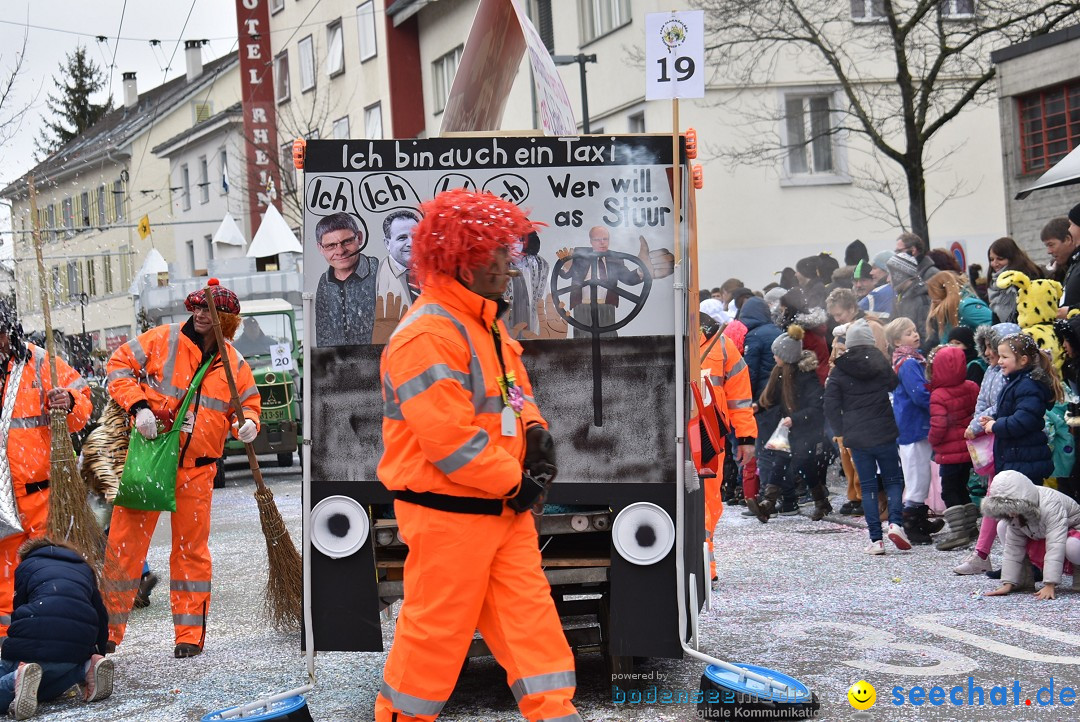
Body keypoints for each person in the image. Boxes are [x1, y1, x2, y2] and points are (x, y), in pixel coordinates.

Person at [374, 189, 578, 722]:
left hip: (499, 510)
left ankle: (557, 714)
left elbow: (512, 391)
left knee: (532, 628)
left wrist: (534, 430)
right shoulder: (426, 334)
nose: (511, 265)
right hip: (450, 516)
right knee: (433, 640)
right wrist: (517, 482)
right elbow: (448, 440)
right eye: (496, 254)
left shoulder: (481, 324)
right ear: (460, 259)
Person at [103, 280, 261, 659]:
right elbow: (118, 366)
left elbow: (249, 404)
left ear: (227, 320)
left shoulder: (235, 364)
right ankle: (105, 631)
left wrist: (250, 422)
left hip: (199, 470)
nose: (200, 315)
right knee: (124, 547)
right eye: (197, 307)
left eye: (209, 310)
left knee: (191, 551)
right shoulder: (163, 338)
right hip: (153, 456)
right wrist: (138, 406)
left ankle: (189, 635)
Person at [0, 299, 92, 638]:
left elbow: (83, 406)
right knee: (4, 585)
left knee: (50, 578)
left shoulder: (41, 362)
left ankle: (50, 643)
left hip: (42, 495)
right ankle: (9, 654)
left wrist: (68, 401)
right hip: (2, 501)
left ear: (8, 332)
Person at [0, 538, 113, 719]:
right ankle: (85, 669)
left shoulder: (26, 566)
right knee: (46, 682)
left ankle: (15, 678)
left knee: (12, 672)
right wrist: (97, 650)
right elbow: (101, 614)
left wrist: (12, 649)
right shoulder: (84, 568)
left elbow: (19, 608)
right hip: (77, 650)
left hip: (35, 641)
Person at [823, 319, 910, 554]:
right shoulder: (880, 363)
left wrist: (840, 431)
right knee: (893, 480)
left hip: (857, 435)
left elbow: (830, 405)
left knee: (869, 486)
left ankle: (875, 540)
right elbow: (894, 384)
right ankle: (895, 523)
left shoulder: (840, 369)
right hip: (884, 431)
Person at [953, 323, 1022, 575]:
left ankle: (993, 555)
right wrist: (977, 423)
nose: (991, 352)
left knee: (1001, 501)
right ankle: (986, 554)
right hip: (994, 438)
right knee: (995, 500)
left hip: (1006, 439)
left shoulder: (1012, 376)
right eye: (988, 347)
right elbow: (983, 401)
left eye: (996, 347)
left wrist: (977, 425)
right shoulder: (992, 371)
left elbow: (1002, 405)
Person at [745, 325, 826, 522]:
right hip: (788, 429)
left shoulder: (805, 376)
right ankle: (768, 504)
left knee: (801, 466)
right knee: (784, 464)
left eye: (776, 354)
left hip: (805, 430)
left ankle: (819, 501)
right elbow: (771, 399)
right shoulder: (780, 372)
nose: (774, 357)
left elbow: (816, 407)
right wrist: (758, 407)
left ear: (787, 356)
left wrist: (795, 419)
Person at [699, 312, 756, 575]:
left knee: (709, 500)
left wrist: (745, 438)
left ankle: (704, 564)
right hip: (669, 436)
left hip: (709, 436)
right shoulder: (667, 337)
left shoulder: (720, 343)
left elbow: (740, 396)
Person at [982, 471, 1080, 600]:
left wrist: (1050, 584)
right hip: (1043, 536)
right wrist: (1008, 583)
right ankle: (1023, 579)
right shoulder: (1019, 511)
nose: (1010, 514)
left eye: (1012, 507)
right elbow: (1013, 547)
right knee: (1003, 526)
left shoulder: (1050, 505)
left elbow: (1055, 543)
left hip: (1072, 535)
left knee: (1071, 545)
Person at [884, 317, 940, 544]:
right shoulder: (908, 363)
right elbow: (919, 393)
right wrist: (936, 404)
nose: (915, 335)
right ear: (897, 341)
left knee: (921, 473)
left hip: (914, 423)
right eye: (909, 333)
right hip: (913, 424)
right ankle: (910, 522)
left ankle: (918, 516)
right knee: (917, 474)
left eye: (915, 330)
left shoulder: (913, 359)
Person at [978, 332, 1061, 486]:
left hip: (1024, 460)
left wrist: (996, 426)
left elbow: (1024, 420)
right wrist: (995, 420)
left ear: (1023, 360)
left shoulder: (1028, 386)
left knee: (1023, 506)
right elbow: (1014, 413)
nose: (1000, 361)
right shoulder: (1017, 382)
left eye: (1004, 357)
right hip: (1018, 457)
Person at [926, 345, 980, 551]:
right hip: (967, 448)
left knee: (949, 490)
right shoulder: (971, 386)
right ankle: (970, 527)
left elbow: (938, 425)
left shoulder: (939, 395)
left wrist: (933, 440)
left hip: (949, 451)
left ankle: (958, 533)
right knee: (961, 486)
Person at [557, 226, 645, 339]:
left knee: (609, 339)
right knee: (582, 340)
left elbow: (629, 279)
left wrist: (642, 269)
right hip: (582, 306)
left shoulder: (615, 259)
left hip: (606, 306)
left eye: (605, 239)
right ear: (591, 241)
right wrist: (567, 265)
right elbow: (566, 275)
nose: (602, 243)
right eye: (597, 240)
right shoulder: (580, 256)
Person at [737, 297, 781, 507]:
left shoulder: (753, 337)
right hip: (782, 398)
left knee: (763, 448)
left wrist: (748, 402)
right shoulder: (777, 331)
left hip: (763, 400)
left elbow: (750, 373)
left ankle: (765, 497)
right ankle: (785, 497)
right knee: (781, 446)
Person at [314, 211, 379, 346]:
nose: (340, 251)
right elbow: (323, 334)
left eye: (347, 241)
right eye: (331, 245)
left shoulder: (379, 271)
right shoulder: (324, 282)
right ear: (320, 248)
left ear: (359, 238)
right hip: (339, 365)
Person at [987, 236, 1043, 324]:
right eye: (991, 259)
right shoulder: (994, 284)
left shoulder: (1027, 279)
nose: (994, 264)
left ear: (1012, 258)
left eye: (1000, 259)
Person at [887, 253, 931, 351]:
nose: (888, 279)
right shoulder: (900, 297)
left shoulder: (921, 299)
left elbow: (926, 336)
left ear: (899, 275)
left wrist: (918, 357)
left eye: (890, 274)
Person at [1042, 216, 1079, 315]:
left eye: (1051, 245)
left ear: (1067, 239)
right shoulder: (1067, 268)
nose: (1048, 251)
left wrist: (1070, 311)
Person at [856, 252, 895, 318]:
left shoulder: (877, 294)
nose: (871, 273)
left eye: (874, 268)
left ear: (887, 270)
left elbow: (853, 312)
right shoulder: (901, 290)